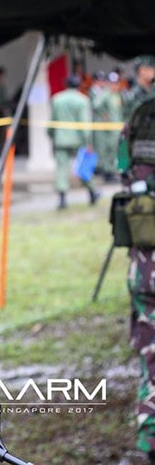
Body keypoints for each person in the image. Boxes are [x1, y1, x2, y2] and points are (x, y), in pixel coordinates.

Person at [118, 54, 155, 462]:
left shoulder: (142, 113)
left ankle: (150, 442)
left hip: (146, 261)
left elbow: (121, 169)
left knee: (152, 356)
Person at [47, 75, 99, 209]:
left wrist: (51, 134)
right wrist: (88, 141)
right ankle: (92, 191)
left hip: (61, 139)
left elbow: (52, 120)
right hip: (78, 139)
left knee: (61, 169)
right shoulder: (82, 100)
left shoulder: (57, 99)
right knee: (83, 167)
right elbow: (84, 123)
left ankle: (62, 199)